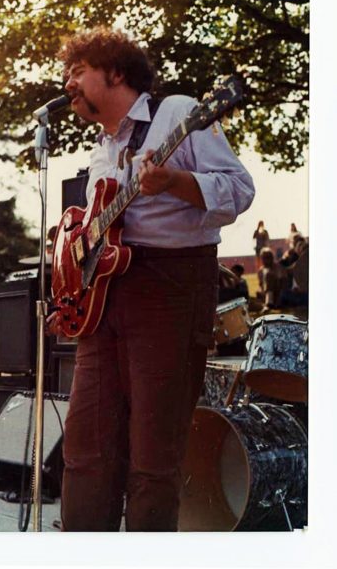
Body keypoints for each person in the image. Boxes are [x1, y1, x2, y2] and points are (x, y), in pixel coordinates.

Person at [48, 27, 255, 531]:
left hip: (169, 291)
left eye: (77, 72)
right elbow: (94, 234)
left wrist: (174, 182)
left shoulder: (178, 113)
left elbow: (239, 189)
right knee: (86, 450)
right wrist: (71, 283)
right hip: (103, 306)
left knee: (153, 457)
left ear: (114, 71)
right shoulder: (101, 149)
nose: (68, 84)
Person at [257, 247, 287, 313]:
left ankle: (269, 304)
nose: (266, 260)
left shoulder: (278, 267)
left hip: (278, 293)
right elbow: (260, 285)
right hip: (265, 293)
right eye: (264, 258)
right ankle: (267, 303)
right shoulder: (260, 271)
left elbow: (283, 283)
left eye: (268, 257)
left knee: (269, 276)